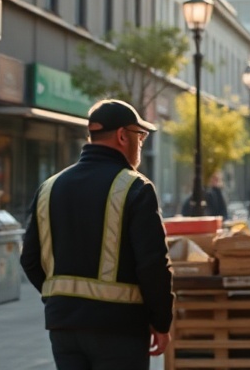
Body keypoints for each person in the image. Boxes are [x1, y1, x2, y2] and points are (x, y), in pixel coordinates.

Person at [21, 99, 174, 369]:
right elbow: (153, 265)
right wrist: (161, 322)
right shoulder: (135, 187)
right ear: (122, 136)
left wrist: (60, 300)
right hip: (120, 330)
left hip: (64, 327)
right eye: (140, 136)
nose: (141, 144)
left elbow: (30, 259)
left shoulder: (49, 187)